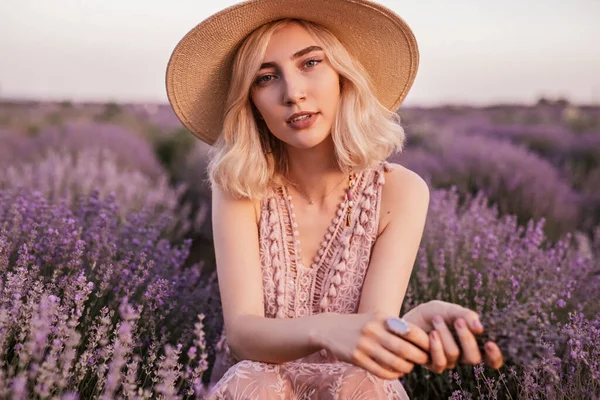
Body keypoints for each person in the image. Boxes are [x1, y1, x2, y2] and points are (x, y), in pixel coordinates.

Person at [165, 0, 504, 398]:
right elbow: (243, 334)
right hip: (260, 386)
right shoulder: (241, 187)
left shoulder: (400, 192)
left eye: (310, 63)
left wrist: (409, 328)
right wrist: (323, 327)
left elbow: (371, 330)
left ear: (344, 75)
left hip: (352, 383)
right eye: (265, 78)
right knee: (258, 381)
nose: (293, 93)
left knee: (365, 384)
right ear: (251, 103)